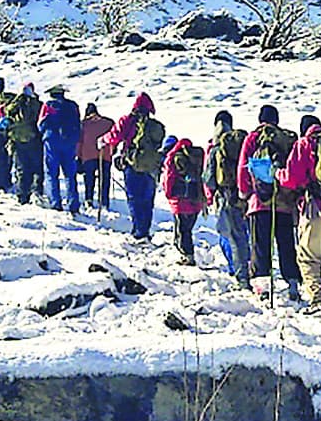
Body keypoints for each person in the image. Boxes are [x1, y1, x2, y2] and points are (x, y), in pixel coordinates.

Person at [276, 115, 321, 318]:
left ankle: (320, 301)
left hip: (315, 209)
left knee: (308, 257)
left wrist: (278, 174)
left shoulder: (305, 144)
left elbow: (292, 178)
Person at [237, 105, 302, 301]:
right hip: (284, 203)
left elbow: (243, 167)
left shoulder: (253, 138)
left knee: (260, 246)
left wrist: (245, 192)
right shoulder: (287, 139)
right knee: (286, 245)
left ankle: (262, 288)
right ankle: (292, 284)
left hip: (259, 203)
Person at [99, 93, 162, 242]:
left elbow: (115, 136)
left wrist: (103, 140)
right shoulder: (154, 126)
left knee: (134, 198)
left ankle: (138, 232)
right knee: (147, 199)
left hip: (132, 164)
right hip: (150, 167)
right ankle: (145, 230)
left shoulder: (128, 120)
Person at [204, 111, 251, 291]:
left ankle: (242, 277)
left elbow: (209, 178)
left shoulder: (216, 147)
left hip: (226, 198)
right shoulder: (241, 143)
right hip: (245, 197)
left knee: (232, 237)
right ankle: (251, 272)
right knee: (245, 236)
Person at [38, 86, 82, 214]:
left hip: (52, 140)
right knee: (70, 174)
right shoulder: (73, 106)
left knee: (52, 173)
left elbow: (41, 124)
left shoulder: (48, 105)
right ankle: (73, 203)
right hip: (69, 142)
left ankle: (55, 202)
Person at [0, 83, 44, 203]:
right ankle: (37, 192)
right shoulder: (37, 104)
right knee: (37, 168)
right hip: (33, 140)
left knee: (22, 169)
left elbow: (3, 112)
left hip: (17, 140)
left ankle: (22, 195)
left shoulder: (14, 104)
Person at [161, 137, 205, 265]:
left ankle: (187, 256)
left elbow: (168, 178)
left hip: (180, 201)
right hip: (196, 199)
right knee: (187, 229)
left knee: (182, 230)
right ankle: (187, 253)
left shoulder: (173, 158)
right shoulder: (196, 157)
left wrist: (169, 194)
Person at [78, 103, 115, 210]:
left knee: (89, 178)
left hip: (88, 155)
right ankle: (104, 201)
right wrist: (113, 150)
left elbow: (79, 142)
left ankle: (89, 199)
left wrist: (78, 156)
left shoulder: (83, 124)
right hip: (105, 155)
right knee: (105, 178)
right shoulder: (108, 122)